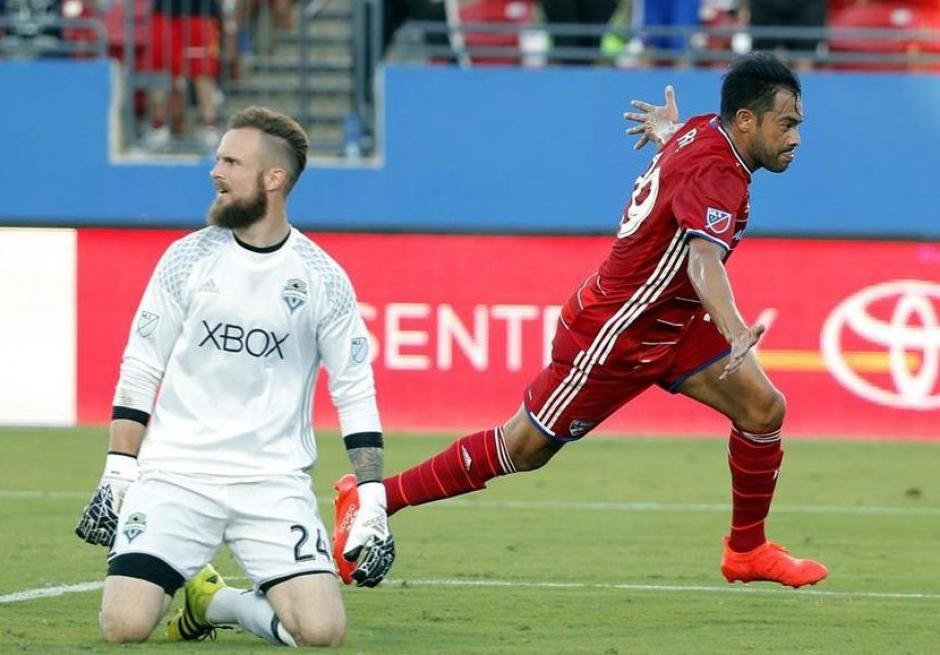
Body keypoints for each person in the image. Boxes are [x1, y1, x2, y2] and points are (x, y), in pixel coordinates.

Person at [333, 52, 828, 589]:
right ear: (747, 121)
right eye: (788, 123)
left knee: (762, 408)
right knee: (523, 449)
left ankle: (747, 551)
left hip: (673, 322)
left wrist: (668, 133)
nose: (797, 137)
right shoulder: (717, 169)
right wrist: (734, 328)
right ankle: (372, 496)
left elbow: (684, 182)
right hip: (617, 331)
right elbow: (701, 258)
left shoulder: (704, 130)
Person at [75, 106, 395, 647]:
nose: (214, 171)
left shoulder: (322, 278)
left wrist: (374, 501)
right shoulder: (186, 259)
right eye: (218, 157)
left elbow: (354, 390)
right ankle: (203, 592)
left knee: (322, 632)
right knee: (123, 626)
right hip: (176, 474)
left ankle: (214, 601)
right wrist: (118, 472)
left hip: (272, 483)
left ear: (274, 179)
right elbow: (141, 365)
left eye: (230, 161)